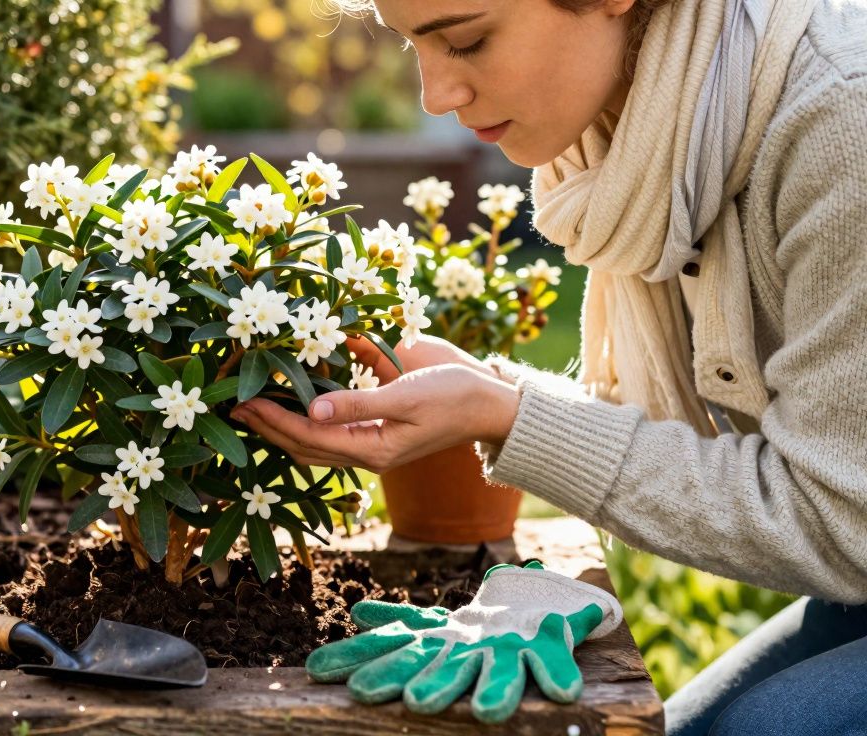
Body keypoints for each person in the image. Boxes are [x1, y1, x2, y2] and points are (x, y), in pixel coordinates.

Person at [227, 0, 867, 733]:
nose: (435, 96)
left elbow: (843, 518)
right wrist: (495, 392)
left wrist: (505, 416)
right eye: (410, 46)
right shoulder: (654, 132)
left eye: (466, 40)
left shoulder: (841, 118)